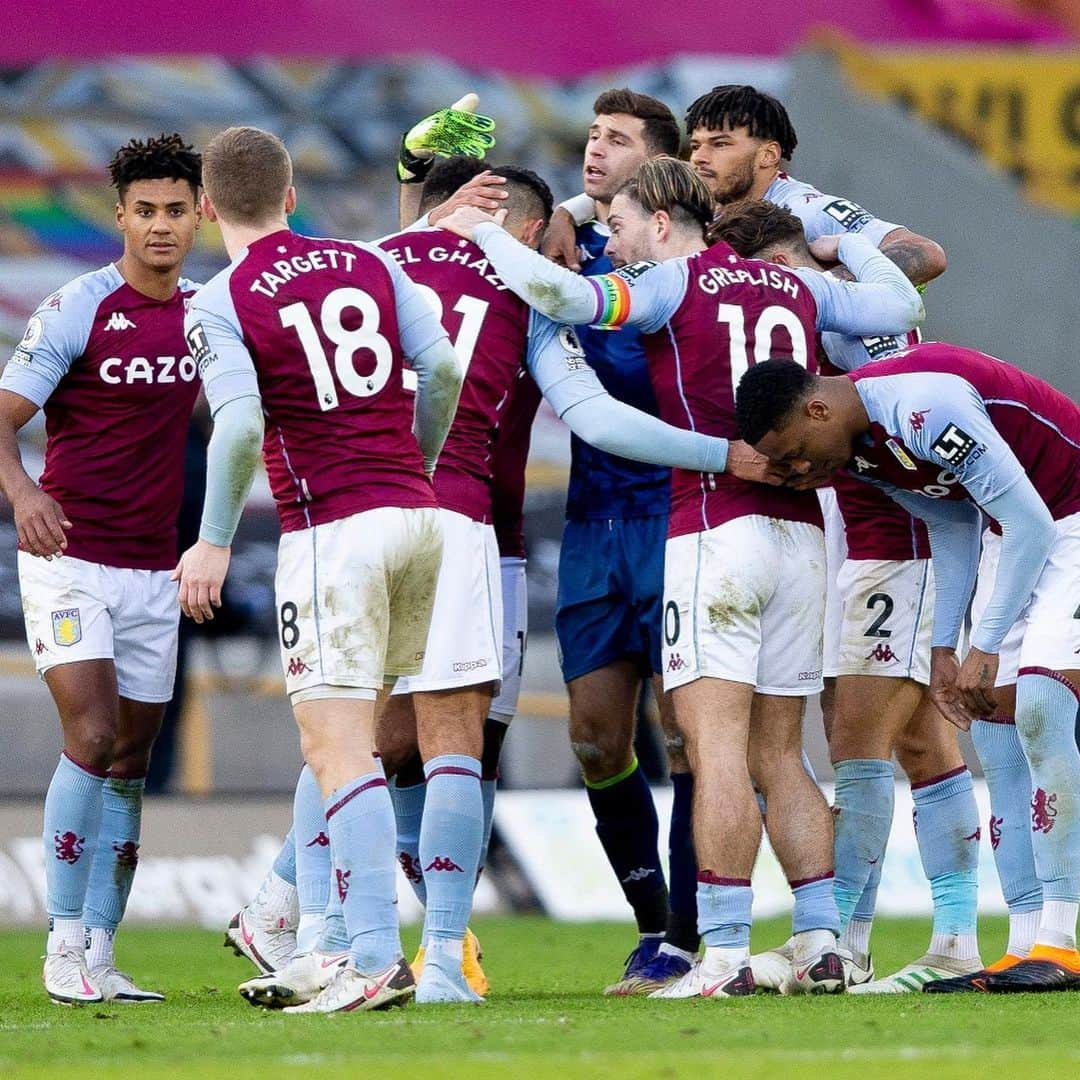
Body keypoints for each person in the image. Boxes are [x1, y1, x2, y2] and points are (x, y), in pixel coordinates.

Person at [239, 160, 764, 1010]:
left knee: (345, 735)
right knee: (454, 742)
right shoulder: (530, 297)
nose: (568, 257)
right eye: (556, 242)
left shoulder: (371, 260)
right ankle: (442, 961)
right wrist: (720, 452)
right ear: (524, 233)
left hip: (339, 519)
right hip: (458, 520)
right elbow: (593, 419)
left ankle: (323, 942)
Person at [439, 155, 923, 999]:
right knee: (783, 752)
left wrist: (479, 228)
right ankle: (822, 943)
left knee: (718, 749)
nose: (614, 246)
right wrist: (840, 234)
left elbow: (570, 301)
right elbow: (901, 304)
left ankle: (727, 953)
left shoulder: (674, 284)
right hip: (804, 537)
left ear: (663, 224)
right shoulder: (797, 288)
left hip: (713, 531)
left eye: (621, 229)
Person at [176, 125, 464, 1014]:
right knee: (355, 738)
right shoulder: (369, 264)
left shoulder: (220, 301)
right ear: (292, 197)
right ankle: (329, 946)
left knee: (335, 745)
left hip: (332, 529)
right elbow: (444, 366)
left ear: (207, 209)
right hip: (419, 518)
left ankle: (374, 956)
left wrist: (214, 538)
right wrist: (415, 463)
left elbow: (237, 428)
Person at [735, 345, 1080, 992]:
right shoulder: (859, 454)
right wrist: (946, 648)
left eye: (795, 452)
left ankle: (1063, 941)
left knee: (1038, 707)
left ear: (817, 407)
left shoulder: (924, 408)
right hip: (1010, 534)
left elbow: (1033, 519)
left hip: (1068, 517)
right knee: (996, 732)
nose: (800, 469)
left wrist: (989, 643)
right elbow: (954, 530)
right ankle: (1025, 942)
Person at [713, 202, 983, 993]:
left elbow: (924, 257)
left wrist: (830, 243)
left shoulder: (826, 303)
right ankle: (957, 935)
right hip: (879, 534)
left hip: (892, 537)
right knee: (925, 747)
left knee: (856, 740)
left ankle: (848, 941)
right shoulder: (858, 292)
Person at [0, 133, 202, 1005]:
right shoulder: (77, 306)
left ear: (199, 215)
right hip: (70, 557)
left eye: (176, 210)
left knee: (130, 761)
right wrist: (24, 496)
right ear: (119, 215)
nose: (161, 226)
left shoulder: (209, 313)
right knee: (89, 736)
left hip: (157, 570)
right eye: (146, 211)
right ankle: (60, 948)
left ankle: (102, 954)